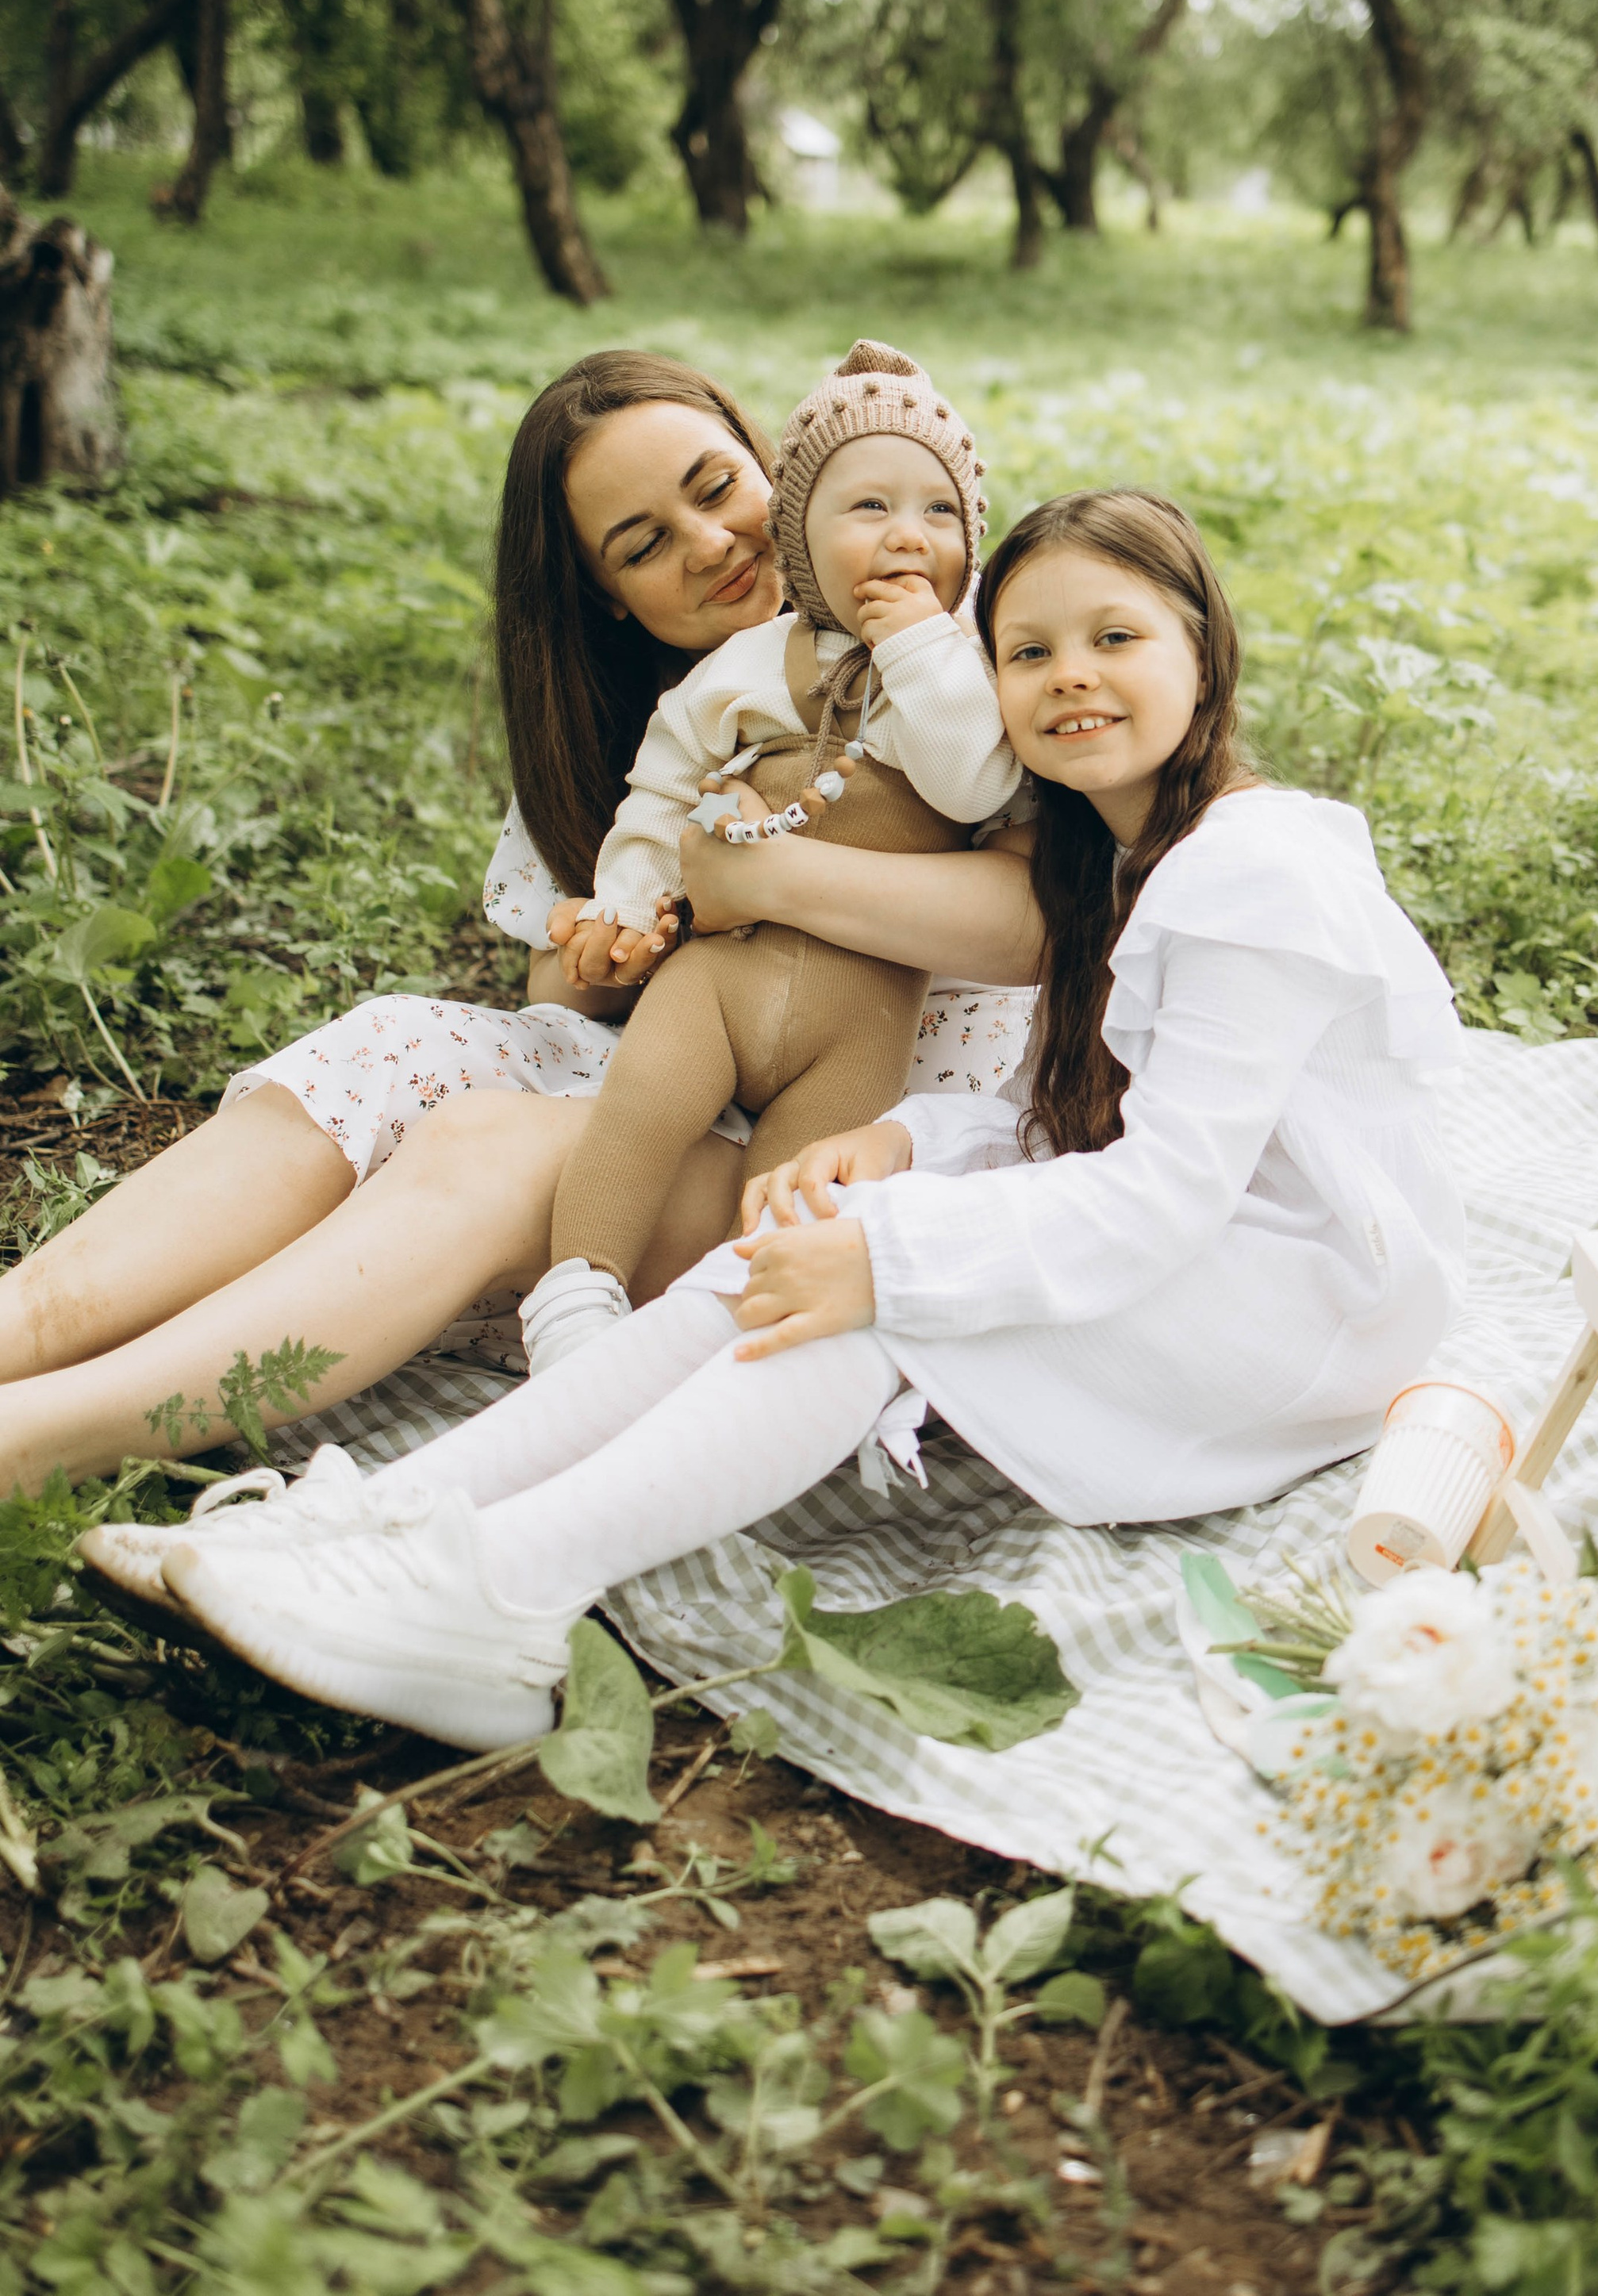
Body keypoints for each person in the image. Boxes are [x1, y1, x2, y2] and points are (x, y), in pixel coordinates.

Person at [142, 490, 1470, 1755]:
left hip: (1297, 1307)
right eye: (1029, 651)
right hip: (1195, 1247)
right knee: (816, 1239)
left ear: (1205, 654)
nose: (1072, 675)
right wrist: (904, 1145)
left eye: (1116, 637)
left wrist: (892, 1254)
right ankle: (378, 1520)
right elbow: (1063, 1124)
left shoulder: (1253, 871)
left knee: (872, 1296)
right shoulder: (1112, 860)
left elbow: (1168, 1188)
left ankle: (501, 1598)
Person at [2, 352, 1038, 1497]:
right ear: (608, 594)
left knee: (489, 1145)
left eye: (716, 486)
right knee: (390, 1045)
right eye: (642, 545)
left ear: (773, 464)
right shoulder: (671, 706)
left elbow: (1030, 924)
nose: (708, 543)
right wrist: (614, 940)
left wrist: (764, 875)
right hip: (685, 1084)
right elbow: (560, 996)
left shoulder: (963, 636)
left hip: (871, 1145)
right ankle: (22, 1328)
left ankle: (40, 1439)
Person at [530, 341, 1020, 1351]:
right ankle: (575, 1290)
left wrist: (917, 646)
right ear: (800, 528)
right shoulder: (745, 664)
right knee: (640, 1109)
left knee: (797, 1192)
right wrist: (625, 904)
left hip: (865, 1010)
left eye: (937, 512)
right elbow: (662, 787)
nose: (904, 536)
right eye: (868, 508)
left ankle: (717, 1339)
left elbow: (972, 783)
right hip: (719, 976)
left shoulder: (967, 673)